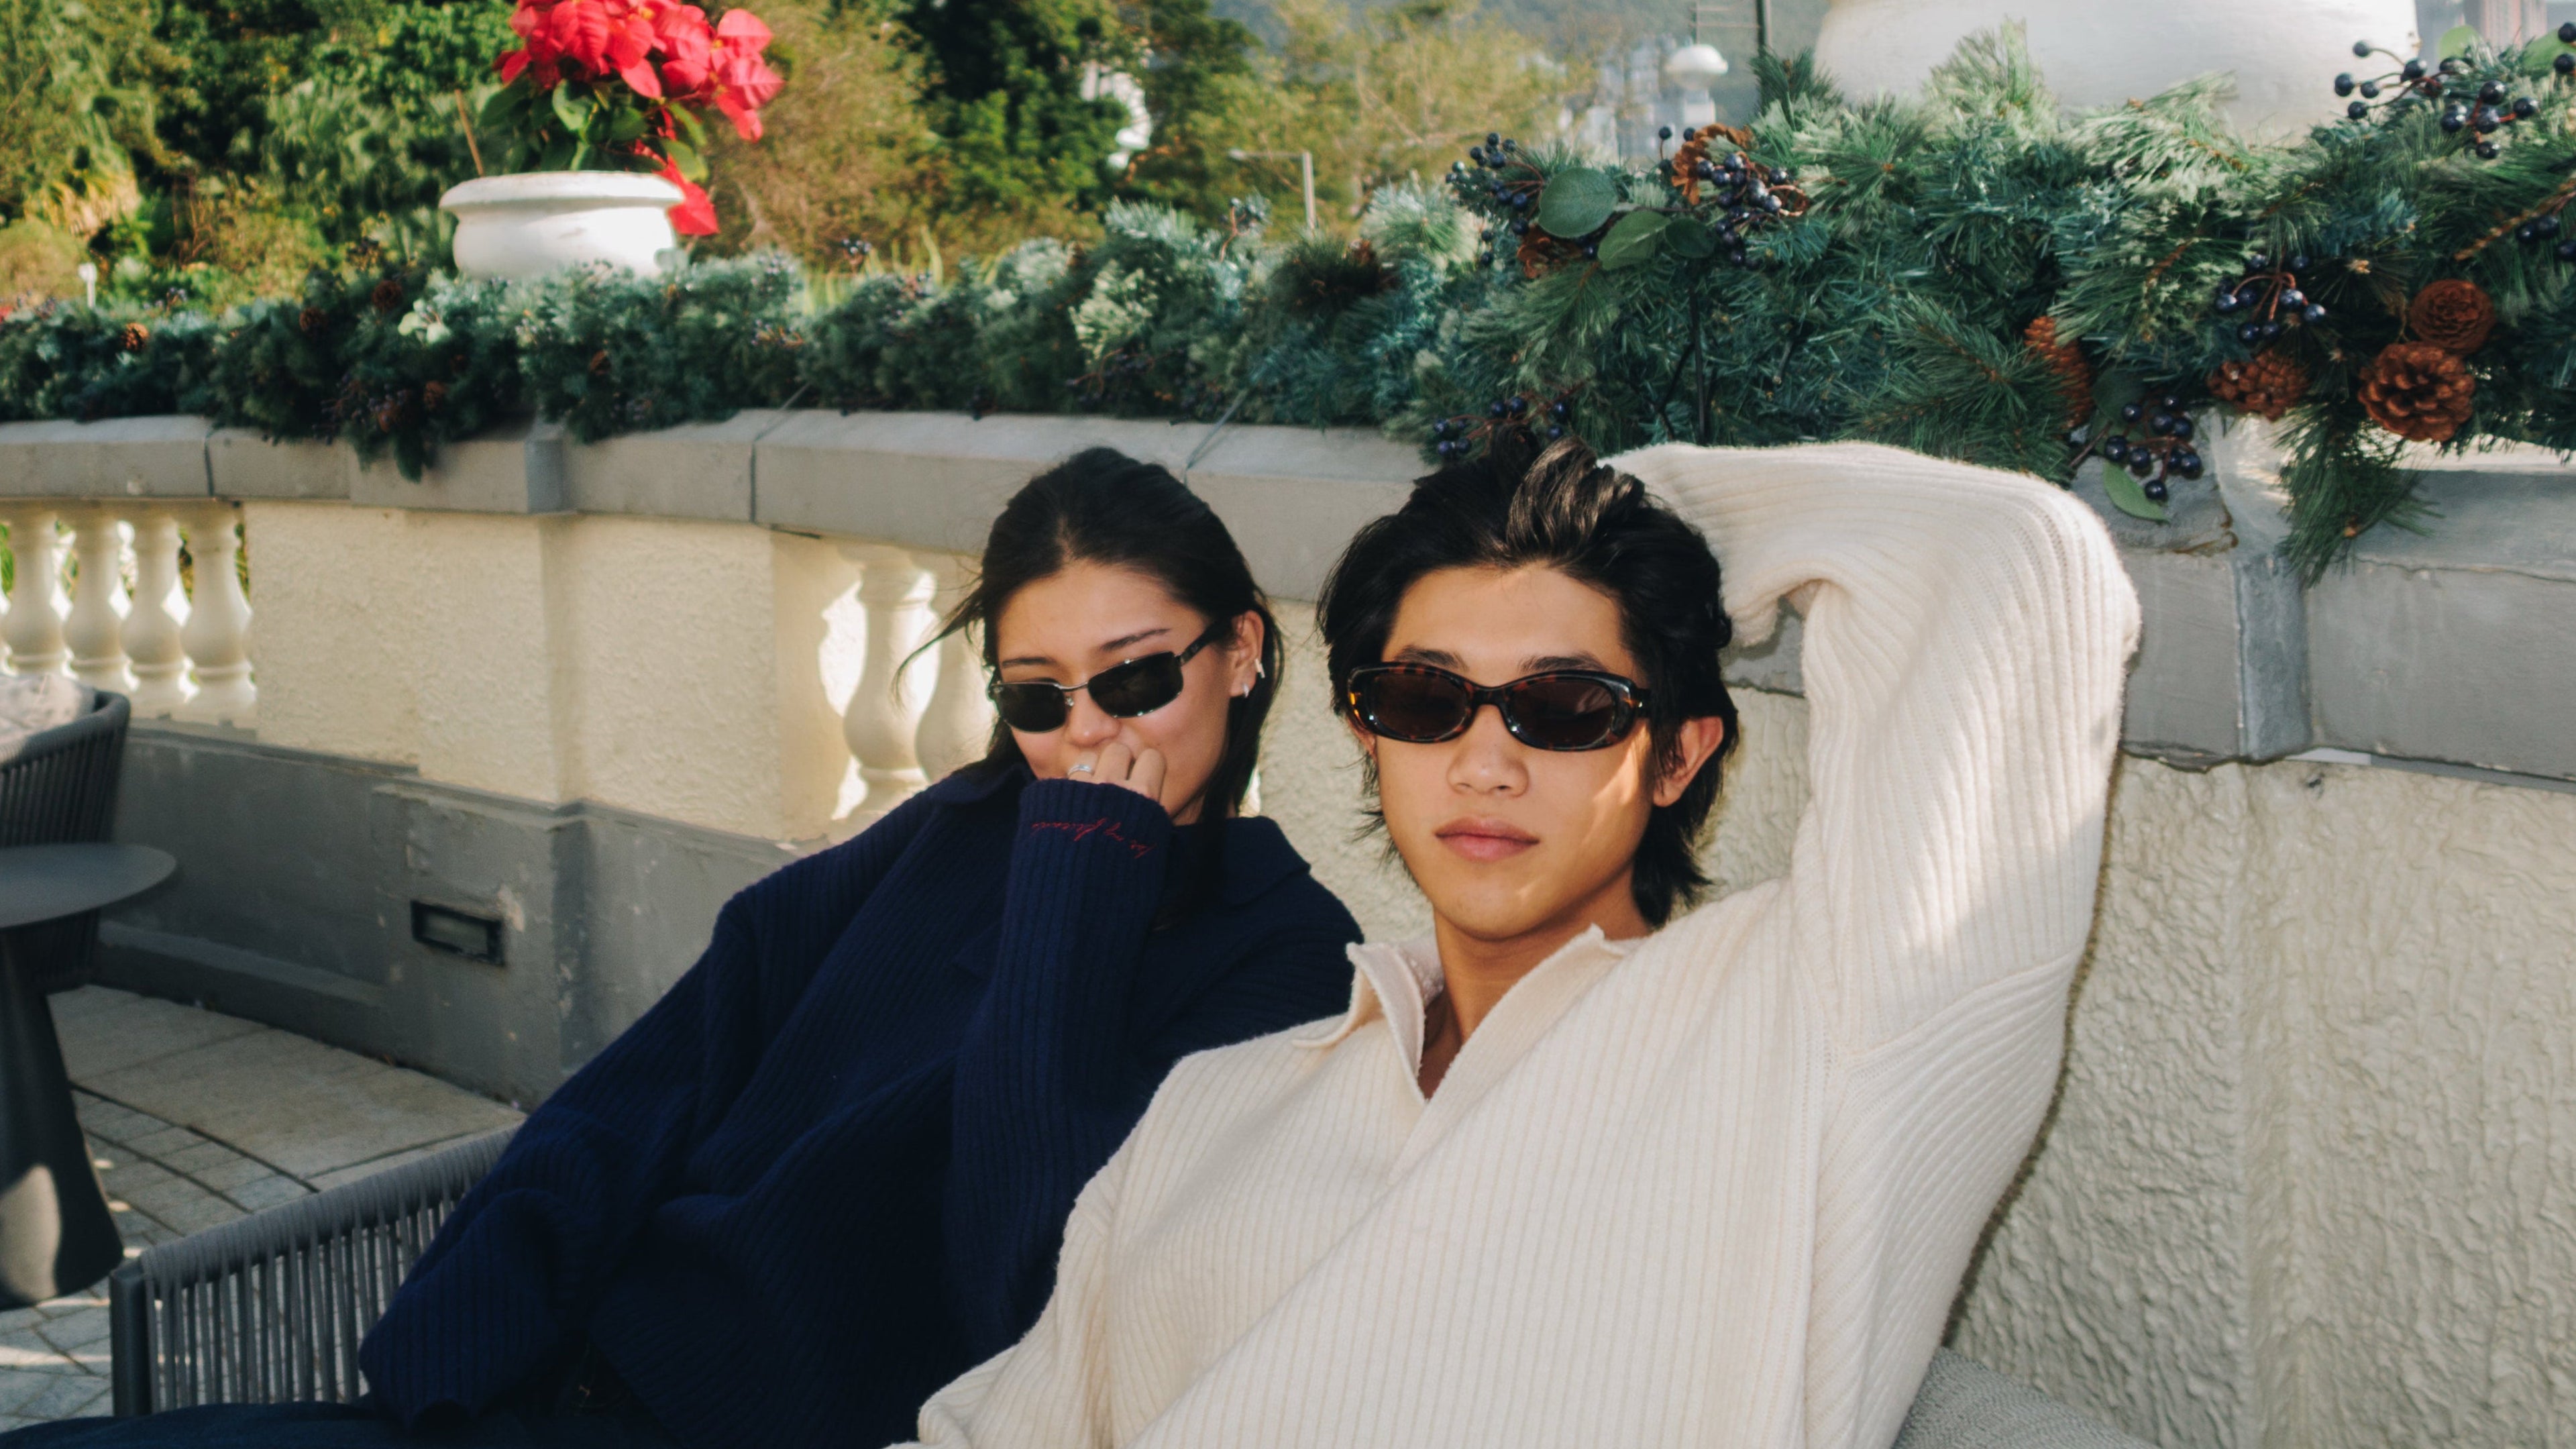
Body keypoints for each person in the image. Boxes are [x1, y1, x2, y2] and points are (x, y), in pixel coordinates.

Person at [9, 449, 1362, 1449]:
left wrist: (1080, 891)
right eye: (1034, 698)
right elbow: (662, 1073)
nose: (1085, 740)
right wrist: (455, 1363)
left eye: (1135, 680)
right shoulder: (964, 825)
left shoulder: (1290, 965)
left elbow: (1030, 1284)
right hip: (552, 1386)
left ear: (1240, 652)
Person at [894, 433, 2139, 1449]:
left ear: (1681, 756)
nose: (1484, 765)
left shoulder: (1809, 1030)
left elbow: (2015, 562)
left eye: (1566, 708)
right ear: (1369, 739)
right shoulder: (1216, 1106)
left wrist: (1622, 510)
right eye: (1425, 700)